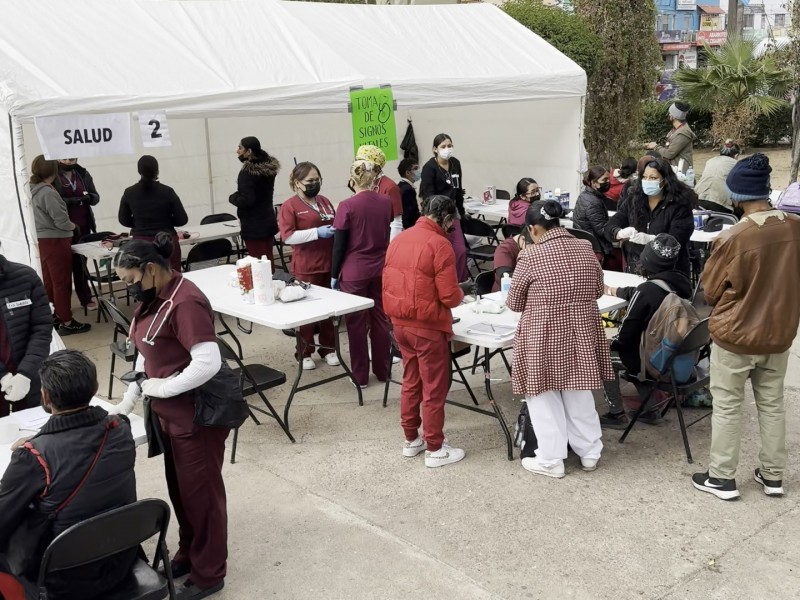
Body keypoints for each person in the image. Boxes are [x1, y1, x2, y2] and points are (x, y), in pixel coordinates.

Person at [111, 234, 227, 599]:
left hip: (195, 416)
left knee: (203, 498)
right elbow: (145, 355)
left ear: (151, 269)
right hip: (169, 417)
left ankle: (209, 574)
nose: (129, 288)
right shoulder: (153, 300)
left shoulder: (185, 301)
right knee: (181, 493)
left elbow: (209, 362)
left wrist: (161, 388)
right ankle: (188, 554)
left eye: (131, 280)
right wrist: (127, 402)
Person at [692, 154, 800, 501]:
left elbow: (710, 292)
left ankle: (722, 477)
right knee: (771, 404)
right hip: (779, 334)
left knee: (727, 406)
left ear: (736, 196)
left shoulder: (734, 237)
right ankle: (773, 476)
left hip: (736, 335)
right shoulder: (794, 227)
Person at [0, 350, 137, 600]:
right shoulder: (121, 430)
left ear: (45, 396)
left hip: (62, 580)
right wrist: (42, 440)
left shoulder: (32, 458)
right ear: (94, 387)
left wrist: (39, 444)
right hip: (120, 559)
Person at [506, 200, 613, 478]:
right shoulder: (585, 247)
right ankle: (590, 453)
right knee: (579, 392)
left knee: (542, 395)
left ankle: (551, 459)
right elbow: (598, 289)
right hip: (581, 329)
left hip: (543, 332)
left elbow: (515, 303)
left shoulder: (530, 257)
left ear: (533, 229)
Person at [383, 195, 465, 467]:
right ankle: (435, 447)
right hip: (428, 326)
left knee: (411, 381)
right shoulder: (440, 244)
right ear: (446, 218)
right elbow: (450, 296)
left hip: (400, 323)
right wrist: (461, 293)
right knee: (434, 388)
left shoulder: (400, 239)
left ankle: (411, 440)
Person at [601, 234, 691, 429]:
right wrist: (614, 290)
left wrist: (609, 344)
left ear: (646, 261)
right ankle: (650, 410)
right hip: (671, 356)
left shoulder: (646, 292)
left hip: (651, 362)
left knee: (604, 357)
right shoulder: (682, 285)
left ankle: (616, 414)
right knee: (638, 349)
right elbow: (643, 292)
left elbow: (625, 336)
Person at [331, 160, 393, 388]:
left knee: (355, 324)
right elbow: (386, 232)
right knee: (380, 319)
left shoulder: (346, 205)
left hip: (355, 269)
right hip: (380, 266)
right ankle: (383, 370)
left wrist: (334, 274)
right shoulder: (386, 201)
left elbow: (339, 244)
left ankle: (360, 376)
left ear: (352, 180)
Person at [278, 162, 340, 371]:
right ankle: (304, 351)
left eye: (317, 180)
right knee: (307, 312)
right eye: (310, 181)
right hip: (306, 265)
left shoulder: (324, 201)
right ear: (297, 183)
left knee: (330, 311)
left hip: (329, 262)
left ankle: (328, 348)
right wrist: (317, 233)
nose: (315, 184)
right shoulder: (290, 206)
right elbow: (287, 237)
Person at [30, 155, 90, 336]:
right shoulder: (48, 193)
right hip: (56, 240)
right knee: (61, 282)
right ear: (53, 171)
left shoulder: (32, 189)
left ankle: (53, 315)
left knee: (49, 281)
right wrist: (74, 227)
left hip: (43, 240)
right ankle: (66, 320)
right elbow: (61, 221)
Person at [604, 158, 695, 276]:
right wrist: (618, 233)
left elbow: (677, 240)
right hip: (636, 268)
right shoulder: (634, 199)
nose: (647, 181)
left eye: (653, 178)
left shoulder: (679, 205)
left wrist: (651, 239)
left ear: (665, 180)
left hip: (669, 271)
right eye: (645, 177)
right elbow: (610, 226)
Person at [0, 245, 53, 416]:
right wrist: (2, 376)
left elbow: (42, 327)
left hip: (29, 380)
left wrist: (26, 374)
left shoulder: (25, 277)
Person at [118, 155, 188, 272]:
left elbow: (123, 220)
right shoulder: (168, 192)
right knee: (171, 278)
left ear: (139, 171)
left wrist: (138, 223)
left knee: (144, 278)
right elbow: (182, 220)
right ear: (157, 170)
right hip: (166, 241)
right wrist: (168, 221)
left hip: (140, 243)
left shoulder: (129, 192)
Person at [420, 134, 469, 282]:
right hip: (437, 216)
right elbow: (428, 195)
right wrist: (436, 217)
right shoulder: (429, 168)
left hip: (453, 213)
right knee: (441, 251)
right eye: (443, 146)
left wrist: (461, 211)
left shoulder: (455, 163)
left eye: (449, 145)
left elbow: (458, 189)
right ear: (435, 149)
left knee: (460, 251)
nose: (447, 149)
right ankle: (443, 282)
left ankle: (460, 283)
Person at [229, 136, 281, 264]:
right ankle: (272, 281)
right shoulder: (268, 170)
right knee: (267, 259)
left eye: (240, 148)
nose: (237, 151)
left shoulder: (248, 173)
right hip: (268, 221)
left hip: (254, 227)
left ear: (249, 151)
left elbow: (246, 200)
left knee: (259, 264)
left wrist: (233, 197)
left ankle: (267, 283)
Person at [57, 158, 100, 311]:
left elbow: (96, 197)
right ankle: (62, 303)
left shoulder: (82, 173)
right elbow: (54, 200)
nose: (69, 162)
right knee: (64, 266)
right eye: (65, 159)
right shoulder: (54, 175)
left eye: (72, 159)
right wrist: (71, 201)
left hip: (84, 226)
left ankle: (86, 298)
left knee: (80, 264)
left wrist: (88, 198)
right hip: (64, 228)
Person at [573, 166, 623, 270]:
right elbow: (602, 230)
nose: (608, 182)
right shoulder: (594, 202)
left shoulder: (584, 195)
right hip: (597, 248)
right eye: (604, 180)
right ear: (593, 183)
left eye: (608, 179)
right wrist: (618, 232)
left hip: (586, 245)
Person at [356, 145, 403, 240]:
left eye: (363, 163)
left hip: (384, 239)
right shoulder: (363, 184)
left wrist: (391, 248)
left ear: (376, 167)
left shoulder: (390, 187)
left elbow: (396, 223)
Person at [646, 101, 696, 170]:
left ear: (673, 116)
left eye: (670, 113)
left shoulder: (683, 133)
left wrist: (656, 146)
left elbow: (669, 154)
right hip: (674, 170)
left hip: (681, 174)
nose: (668, 115)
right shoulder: (675, 130)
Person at [694, 141, 740, 214]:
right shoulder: (737, 164)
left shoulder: (710, 161)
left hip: (698, 198)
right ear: (736, 155)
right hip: (721, 203)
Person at [492, 226, 531, 292]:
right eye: (533, 247)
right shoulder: (504, 249)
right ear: (522, 239)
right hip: (505, 293)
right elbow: (504, 275)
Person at [397, 158, 421, 230]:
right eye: (416, 168)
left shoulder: (401, 185)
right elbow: (410, 214)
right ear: (408, 173)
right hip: (408, 228)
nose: (419, 171)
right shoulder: (408, 190)